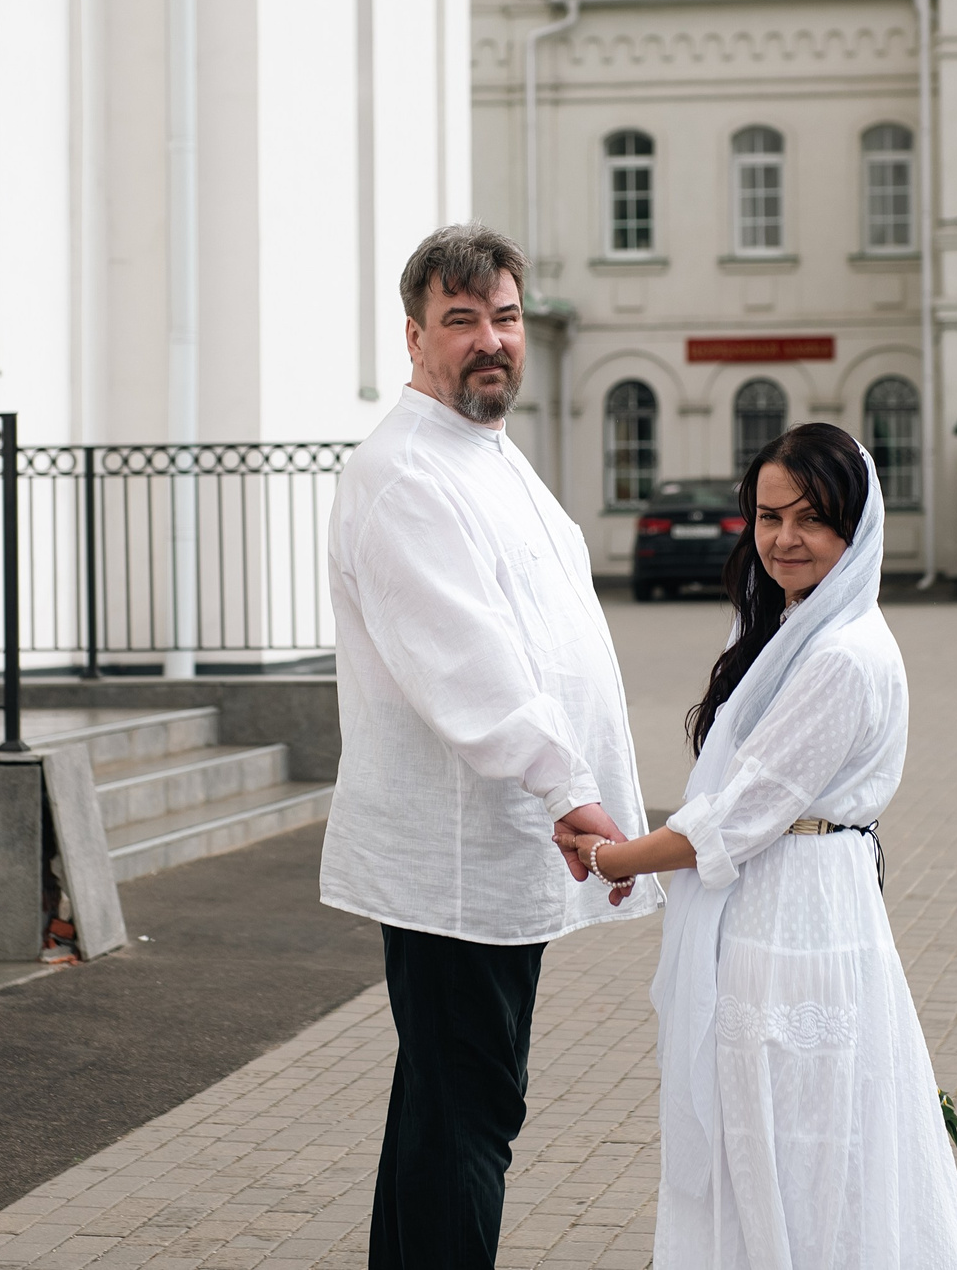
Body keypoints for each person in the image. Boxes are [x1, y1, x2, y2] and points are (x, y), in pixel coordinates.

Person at [321, 223, 659, 1270]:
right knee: (469, 1110)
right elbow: (468, 667)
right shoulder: (404, 473)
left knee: (443, 1101)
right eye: (460, 320)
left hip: (498, 840)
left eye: (504, 318)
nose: (489, 340)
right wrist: (568, 784)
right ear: (413, 336)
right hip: (458, 850)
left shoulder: (489, 457)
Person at [559, 423, 957, 1269]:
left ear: (856, 527)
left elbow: (733, 818)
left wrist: (609, 857)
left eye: (811, 518)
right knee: (770, 1140)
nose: (784, 538)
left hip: (796, 916)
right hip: (776, 900)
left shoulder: (843, 657)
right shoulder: (787, 632)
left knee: (801, 1142)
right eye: (768, 515)